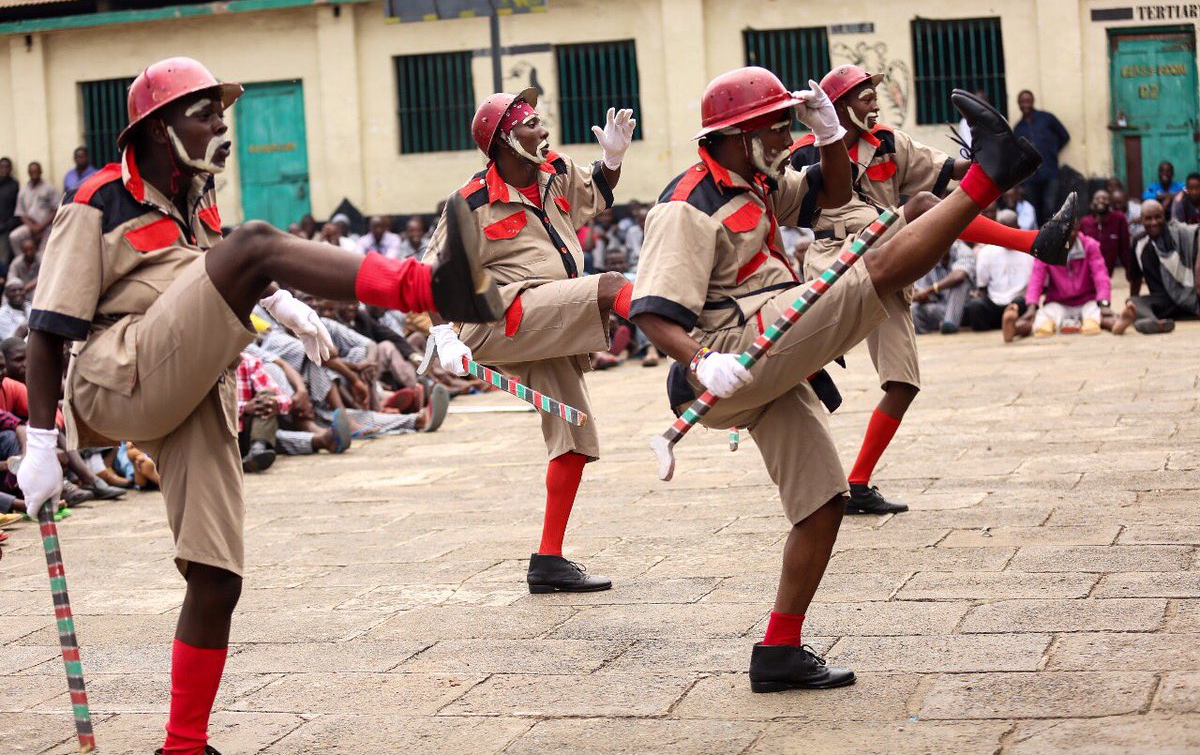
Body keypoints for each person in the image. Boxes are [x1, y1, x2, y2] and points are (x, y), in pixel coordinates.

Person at [18, 55, 502, 755]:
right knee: (255, 243)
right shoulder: (95, 203)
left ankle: (184, 746)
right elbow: (46, 331)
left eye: (222, 115)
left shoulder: (199, 199)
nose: (221, 128)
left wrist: (285, 307)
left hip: (194, 377)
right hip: (118, 373)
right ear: (155, 129)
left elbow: (209, 275)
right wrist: (39, 444)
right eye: (204, 115)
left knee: (217, 576)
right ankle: (429, 287)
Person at [632, 67, 1042, 692]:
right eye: (777, 127)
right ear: (739, 135)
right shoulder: (685, 206)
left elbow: (830, 197)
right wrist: (699, 361)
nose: (784, 138)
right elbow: (651, 312)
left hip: (769, 347)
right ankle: (989, 178)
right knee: (874, 270)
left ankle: (778, 651)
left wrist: (828, 137)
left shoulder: (758, 178)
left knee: (824, 502)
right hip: (728, 355)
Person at [790, 64, 1076, 515]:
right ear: (839, 106)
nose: (875, 104)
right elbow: (783, 207)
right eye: (866, 97)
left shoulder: (889, 141)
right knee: (925, 206)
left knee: (903, 383)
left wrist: (984, 158)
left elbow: (950, 171)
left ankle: (858, 484)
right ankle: (1036, 243)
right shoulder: (806, 152)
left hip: (889, 250)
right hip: (836, 260)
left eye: (875, 96)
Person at [422, 89, 636, 594]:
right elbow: (431, 274)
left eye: (541, 122)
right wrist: (442, 335)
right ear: (503, 139)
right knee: (611, 286)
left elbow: (595, 194)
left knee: (574, 434)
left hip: (545, 317)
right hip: (495, 318)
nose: (544, 131)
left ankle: (548, 561)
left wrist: (612, 160)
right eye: (532, 124)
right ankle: (698, 352)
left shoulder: (554, 170)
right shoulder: (471, 201)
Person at [1011, 231, 1124, 338]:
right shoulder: (1046, 248)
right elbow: (1036, 279)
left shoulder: (1090, 245)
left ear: (1077, 227)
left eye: (1071, 229)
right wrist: (1032, 306)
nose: (1067, 234)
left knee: (1096, 313)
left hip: (1087, 301)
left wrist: (1104, 303)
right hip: (1058, 303)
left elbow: (1101, 276)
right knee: (1042, 317)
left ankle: (1116, 325)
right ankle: (1013, 329)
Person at [1122, 199, 1199, 333]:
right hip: (1163, 302)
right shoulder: (1138, 242)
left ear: (1164, 216)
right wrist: (1132, 307)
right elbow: (1135, 278)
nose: (1154, 222)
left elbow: (1197, 231)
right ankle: (1156, 323)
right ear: (1141, 219)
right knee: (1133, 302)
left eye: (1158, 217)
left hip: (1189, 296)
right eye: (1148, 218)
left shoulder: (1177, 232)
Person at [963, 210, 1034, 331]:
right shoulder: (985, 252)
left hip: (1018, 303)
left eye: (1010, 229)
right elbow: (982, 288)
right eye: (1003, 229)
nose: (1007, 234)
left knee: (1019, 303)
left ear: (1018, 227)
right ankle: (1003, 329)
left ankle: (1012, 325)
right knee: (975, 306)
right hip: (994, 303)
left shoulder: (1029, 251)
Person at [1013, 90, 1070, 221]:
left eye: (1028, 101)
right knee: (1033, 210)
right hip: (1030, 177)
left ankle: (1051, 233)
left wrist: (1053, 151)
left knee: (1050, 207)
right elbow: (1017, 153)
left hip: (1050, 172)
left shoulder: (1047, 118)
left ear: (1033, 101)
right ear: (1018, 104)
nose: (1025, 104)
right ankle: (1038, 234)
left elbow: (1064, 135)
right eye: (1022, 102)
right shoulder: (1018, 128)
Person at [910, 240, 974, 334]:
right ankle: (927, 334)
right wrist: (921, 296)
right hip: (942, 309)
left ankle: (949, 324)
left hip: (965, 309)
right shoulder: (929, 255)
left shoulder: (962, 249)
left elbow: (959, 276)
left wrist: (931, 290)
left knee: (961, 283)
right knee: (915, 309)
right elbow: (921, 290)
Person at [1078, 189, 1130, 276]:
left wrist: (1129, 270)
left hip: (1109, 272)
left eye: (1104, 198)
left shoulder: (1118, 219)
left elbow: (1125, 248)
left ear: (1110, 202)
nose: (1101, 201)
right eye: (1097, 198)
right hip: (1087, 271)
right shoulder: (1085, 222)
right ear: (1092, 202)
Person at [12, 160, 60, 253]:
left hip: (46, 226)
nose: (34, 174)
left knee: (43, 254)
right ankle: (24, 259)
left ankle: (40, 259)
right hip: (29, 226)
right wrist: (32, 227)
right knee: (14, 236)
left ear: (41, 172)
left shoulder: (49, 188)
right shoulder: (23, 190)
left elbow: (56, 209)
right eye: (32, 172)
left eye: (36, 171)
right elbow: (20, 213)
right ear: (28, 173)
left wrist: (40, 226)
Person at [0, 157, 19, 263]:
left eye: (6, 167)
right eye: (1, 167)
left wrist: (8, 224)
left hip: (7, 227)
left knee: (3, 259)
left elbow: (17, 206)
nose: (4, 170)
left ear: (10, 169)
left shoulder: (14, 185)